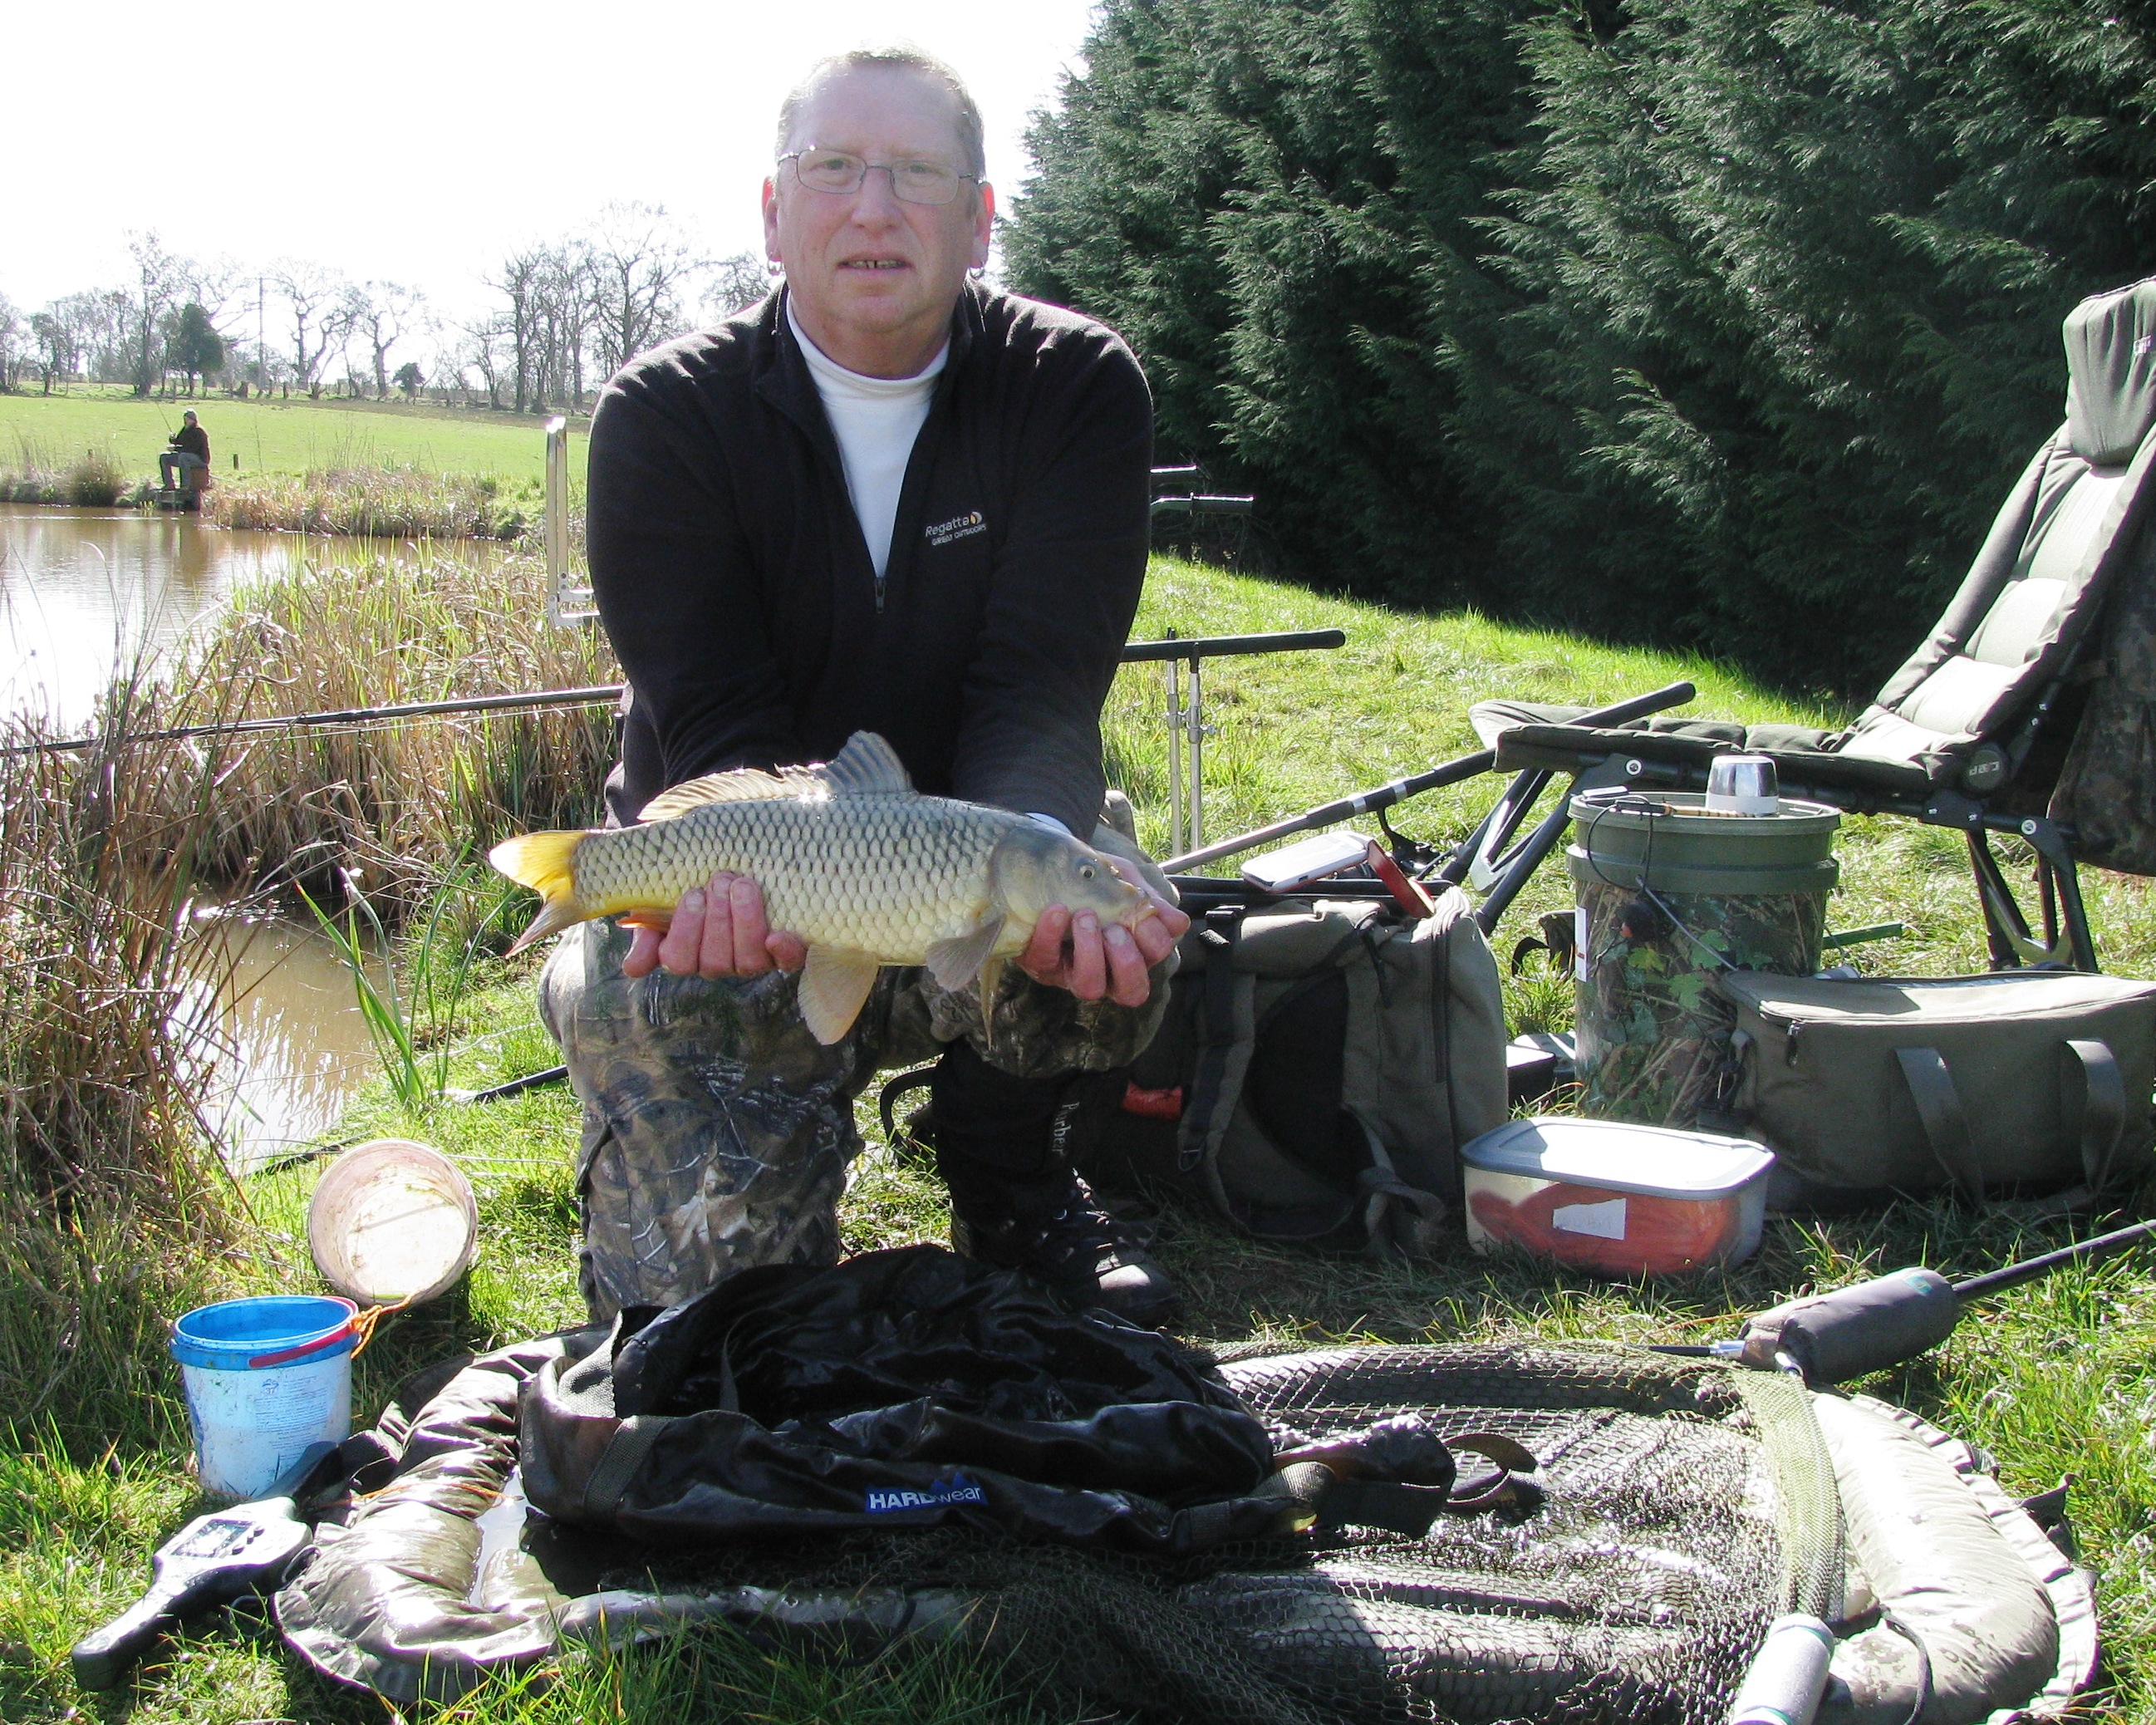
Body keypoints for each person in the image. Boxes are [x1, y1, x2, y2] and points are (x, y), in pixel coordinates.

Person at [538, 46, 1191, 1329]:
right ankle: (758, 1144)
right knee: (722, 1324)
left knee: (1109, 923)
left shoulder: (1074, 389)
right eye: (831, 169)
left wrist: (1027, 866)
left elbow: (1038, 697)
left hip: (970, 842)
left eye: (915, 174)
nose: (873, 208)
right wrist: (755, 880)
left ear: (979, 218)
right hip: (736, 878)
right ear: (774, 212)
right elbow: (715, 718)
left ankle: (1004, 1158)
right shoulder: (666, 417)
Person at [159, 410, 209, 489]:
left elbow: (192, 449)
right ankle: (169, 484)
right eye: (185, 419)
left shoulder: (199, 431)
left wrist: (175, 449)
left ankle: (185, 486)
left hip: (200, 459)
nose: (186, 421)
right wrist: (172, 439)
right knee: (164, 457)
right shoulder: (185, 429)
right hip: (186, 456)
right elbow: (178, 441)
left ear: (194, 420)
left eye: (188, 419)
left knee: (183, 457)